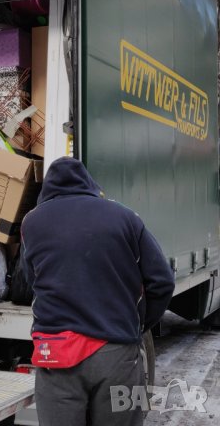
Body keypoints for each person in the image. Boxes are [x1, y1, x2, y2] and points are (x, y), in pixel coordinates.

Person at [20, 157, 175, 426]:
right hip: (117, 354)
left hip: (56, 355)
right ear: (89, 183)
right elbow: (162, 281)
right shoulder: (125, 217)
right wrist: (137, 324)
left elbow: (31, 279)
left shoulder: (32, 223)